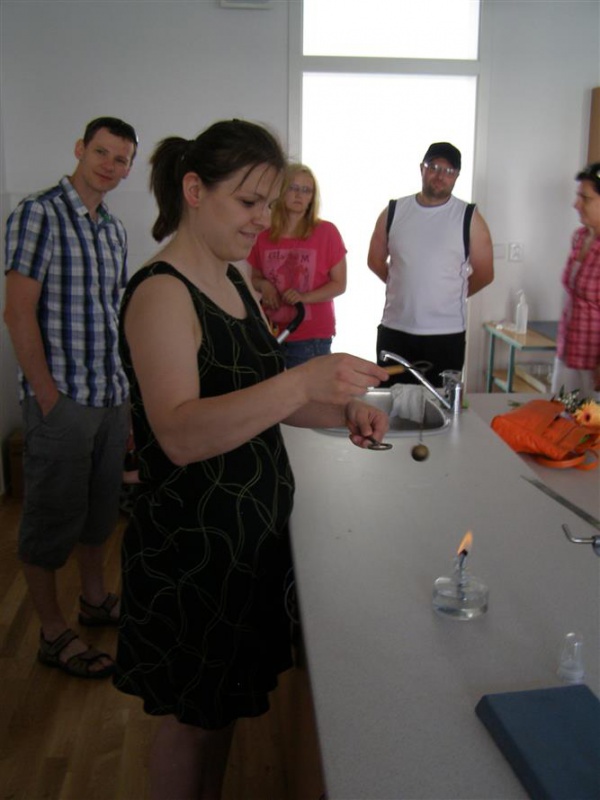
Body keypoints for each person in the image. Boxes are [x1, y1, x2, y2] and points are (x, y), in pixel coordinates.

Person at [113, 119, 389, 799]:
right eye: (248, 202)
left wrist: (340, 411)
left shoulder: (234, 281)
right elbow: (178, 434)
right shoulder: (161, 292)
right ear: (194, 190)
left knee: (219, 714)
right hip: (192, 548)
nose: (263, 219)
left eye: (267, 203)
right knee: (190, 723)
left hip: (242, 547)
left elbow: (260, 401)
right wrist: (302, 381)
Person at [3, 116, 138, 678]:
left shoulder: (114, 229)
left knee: (100, 512)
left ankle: (94, 600)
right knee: (50, 520)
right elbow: (17, 311)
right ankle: (52, 633)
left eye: (121, 159)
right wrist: (48, 398)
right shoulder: (39, 213)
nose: (110, 165)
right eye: (102, 152)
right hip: (63, 400)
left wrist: (126, 397)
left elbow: (115, 316)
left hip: (110, 396)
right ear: (81, 149)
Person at [367, 141, 494, 385]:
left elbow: (485, 273)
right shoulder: (394, 211)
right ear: (422, 168)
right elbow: (375, 260)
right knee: (392, 400)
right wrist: (404, 285)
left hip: (445, 334)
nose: (440, 175)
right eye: (433, 167)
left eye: (448, 171)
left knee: (440, 402)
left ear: (456, 176)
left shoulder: (468, 217)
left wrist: (450, 293)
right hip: (396, 329)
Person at [247, 163, 347, 367]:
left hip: (311, 338)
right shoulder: (263, 234)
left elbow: (339, 285)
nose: (299, 195)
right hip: (270, 331)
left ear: (312, 197)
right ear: (281, 191)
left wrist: (303, 298)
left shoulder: (326, 232)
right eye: (293, 188)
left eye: (306, 190)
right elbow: (254, 277)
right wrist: (265, 285)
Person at [551, 162, 600, 397]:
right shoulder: (580, 237)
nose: (576, 204)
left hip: (594, 364)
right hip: (569, 352)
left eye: (585, 198)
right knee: (559, 414)